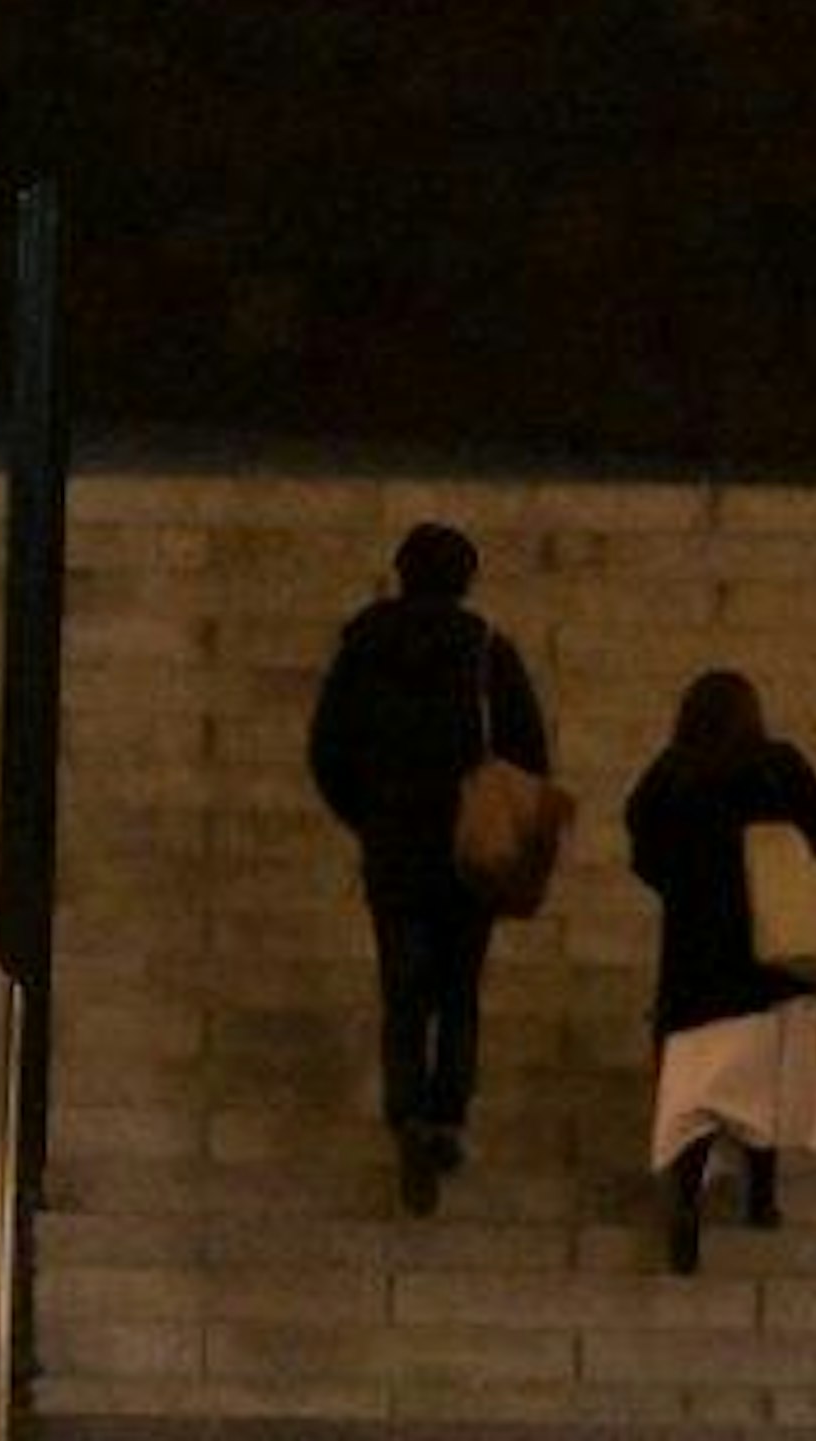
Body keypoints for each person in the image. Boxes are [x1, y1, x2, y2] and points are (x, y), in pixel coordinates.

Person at [303, 519, 552, 1215]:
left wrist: (369, 812)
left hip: (393, 845)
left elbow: (326, 748)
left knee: (403, 984)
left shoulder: (364, 648)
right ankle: (447, 1114)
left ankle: (406, 1110)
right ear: (465, 577)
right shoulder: (484, 650)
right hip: (467, 848)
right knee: (459, 985)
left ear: (402, 572)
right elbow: (528, 749)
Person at [621, 664, 816, 1272]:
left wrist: (684, 882)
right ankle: (762, 1198)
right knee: (762, 1082)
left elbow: (639, 843)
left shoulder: (673, 772)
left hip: (695, 964)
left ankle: (687, 1199)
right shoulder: (778, 764)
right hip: (770, 958)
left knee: (694, 1093)